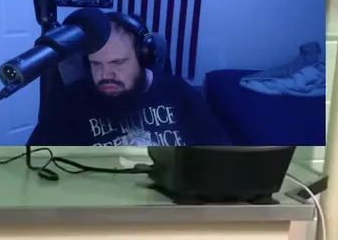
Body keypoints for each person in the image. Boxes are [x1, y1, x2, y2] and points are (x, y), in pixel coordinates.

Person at [26, 16, 231, 147]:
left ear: (144, 59)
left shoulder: (179, 92)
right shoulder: (71, 102)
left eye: (118, 63)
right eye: (96, 64)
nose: (106, 74)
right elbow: (34, 160)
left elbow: (221, 152)